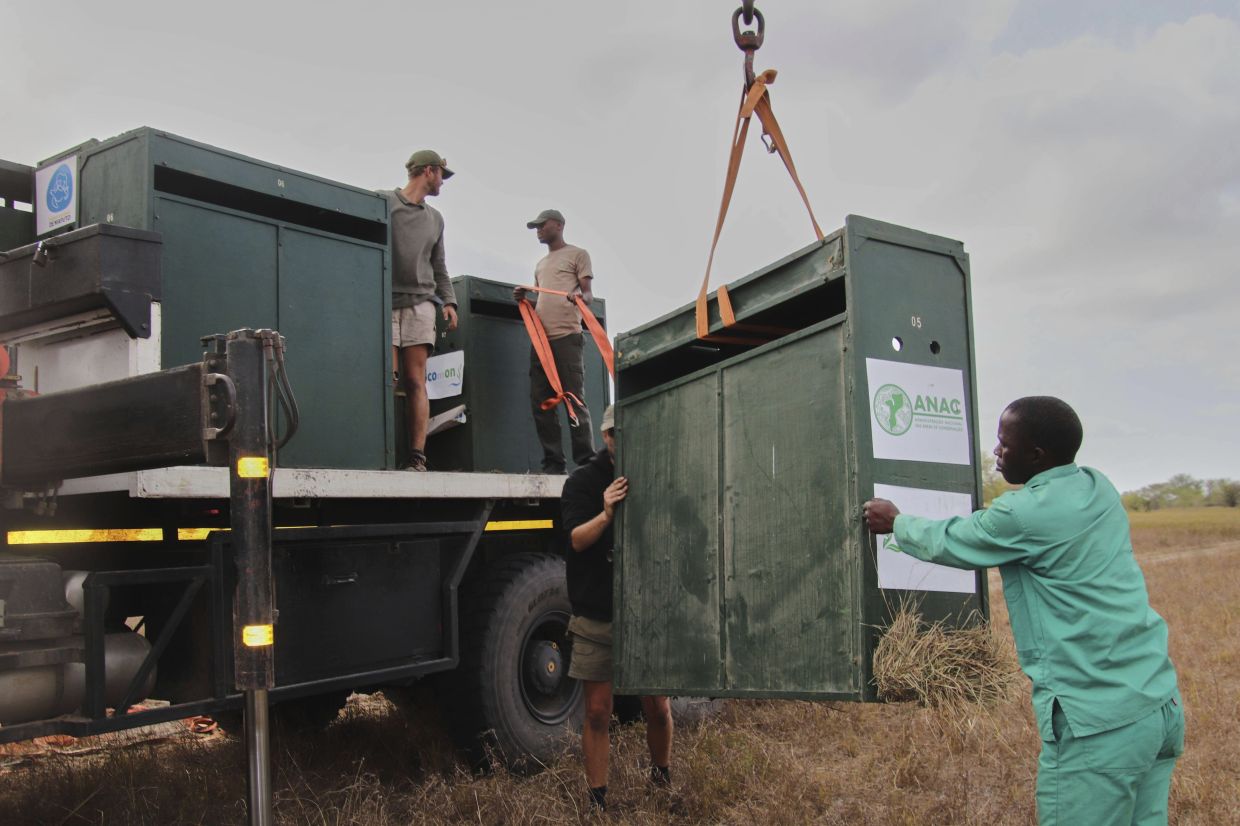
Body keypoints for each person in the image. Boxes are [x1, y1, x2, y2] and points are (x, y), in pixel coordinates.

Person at [863, 396, 1183, 826]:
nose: (996, 452)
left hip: (1100, 724)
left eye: (1004, 443)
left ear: (1036, 455)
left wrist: (896, 523)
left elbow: (954, 540)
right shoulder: (1097, 485)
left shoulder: (1024, 514)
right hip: (1157, 705)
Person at [561, 405, 672, 812]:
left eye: (629, 432)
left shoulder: (655, 475)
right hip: (597, 613)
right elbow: (575, 540)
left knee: (657, 707)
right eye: (614, 433)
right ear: (605, 437)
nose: (620, 440)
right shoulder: (582, 483)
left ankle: (661, 779)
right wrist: (606, 513)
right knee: (597, 711)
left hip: (646, 614)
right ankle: (597, 800)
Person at [381, 149, 459, 471]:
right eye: (442, 174)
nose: (443, 181)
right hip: (385, 300)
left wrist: (450, 301)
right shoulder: (385, 202)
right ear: (429, 171)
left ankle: (417, 457)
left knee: (416, 381)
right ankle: (381, 451)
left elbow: (438, 265)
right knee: (388, 375)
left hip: (421, 304)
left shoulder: (436, 219)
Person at [514, 208, 595, 474]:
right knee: (541, 401)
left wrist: (580, 299)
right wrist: (525, 297)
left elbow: (588, 294)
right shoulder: (540, 264)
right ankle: (554, 463)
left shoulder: (577, 254)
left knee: (573, 398)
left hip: (567, 337)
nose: (538, 229)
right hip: (541, 341)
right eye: (535, 226)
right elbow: (544, 301)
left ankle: (585, 461)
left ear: (558, 225)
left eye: (542, 225)